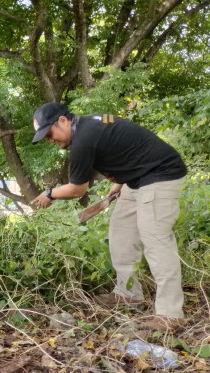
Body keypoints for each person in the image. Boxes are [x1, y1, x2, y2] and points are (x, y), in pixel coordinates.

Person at [30, 102, 188, 331]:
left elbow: (77, 190)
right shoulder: (87, 125)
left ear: (63, 120)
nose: (50, 140)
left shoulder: (83, 141)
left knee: (156, 241)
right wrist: (120, 181)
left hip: (161, 174)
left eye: (49, 133)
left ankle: (170, 314)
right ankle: (128, 294)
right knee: (121, 232)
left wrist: (49, 194)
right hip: (136, 179)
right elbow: (128, 149)